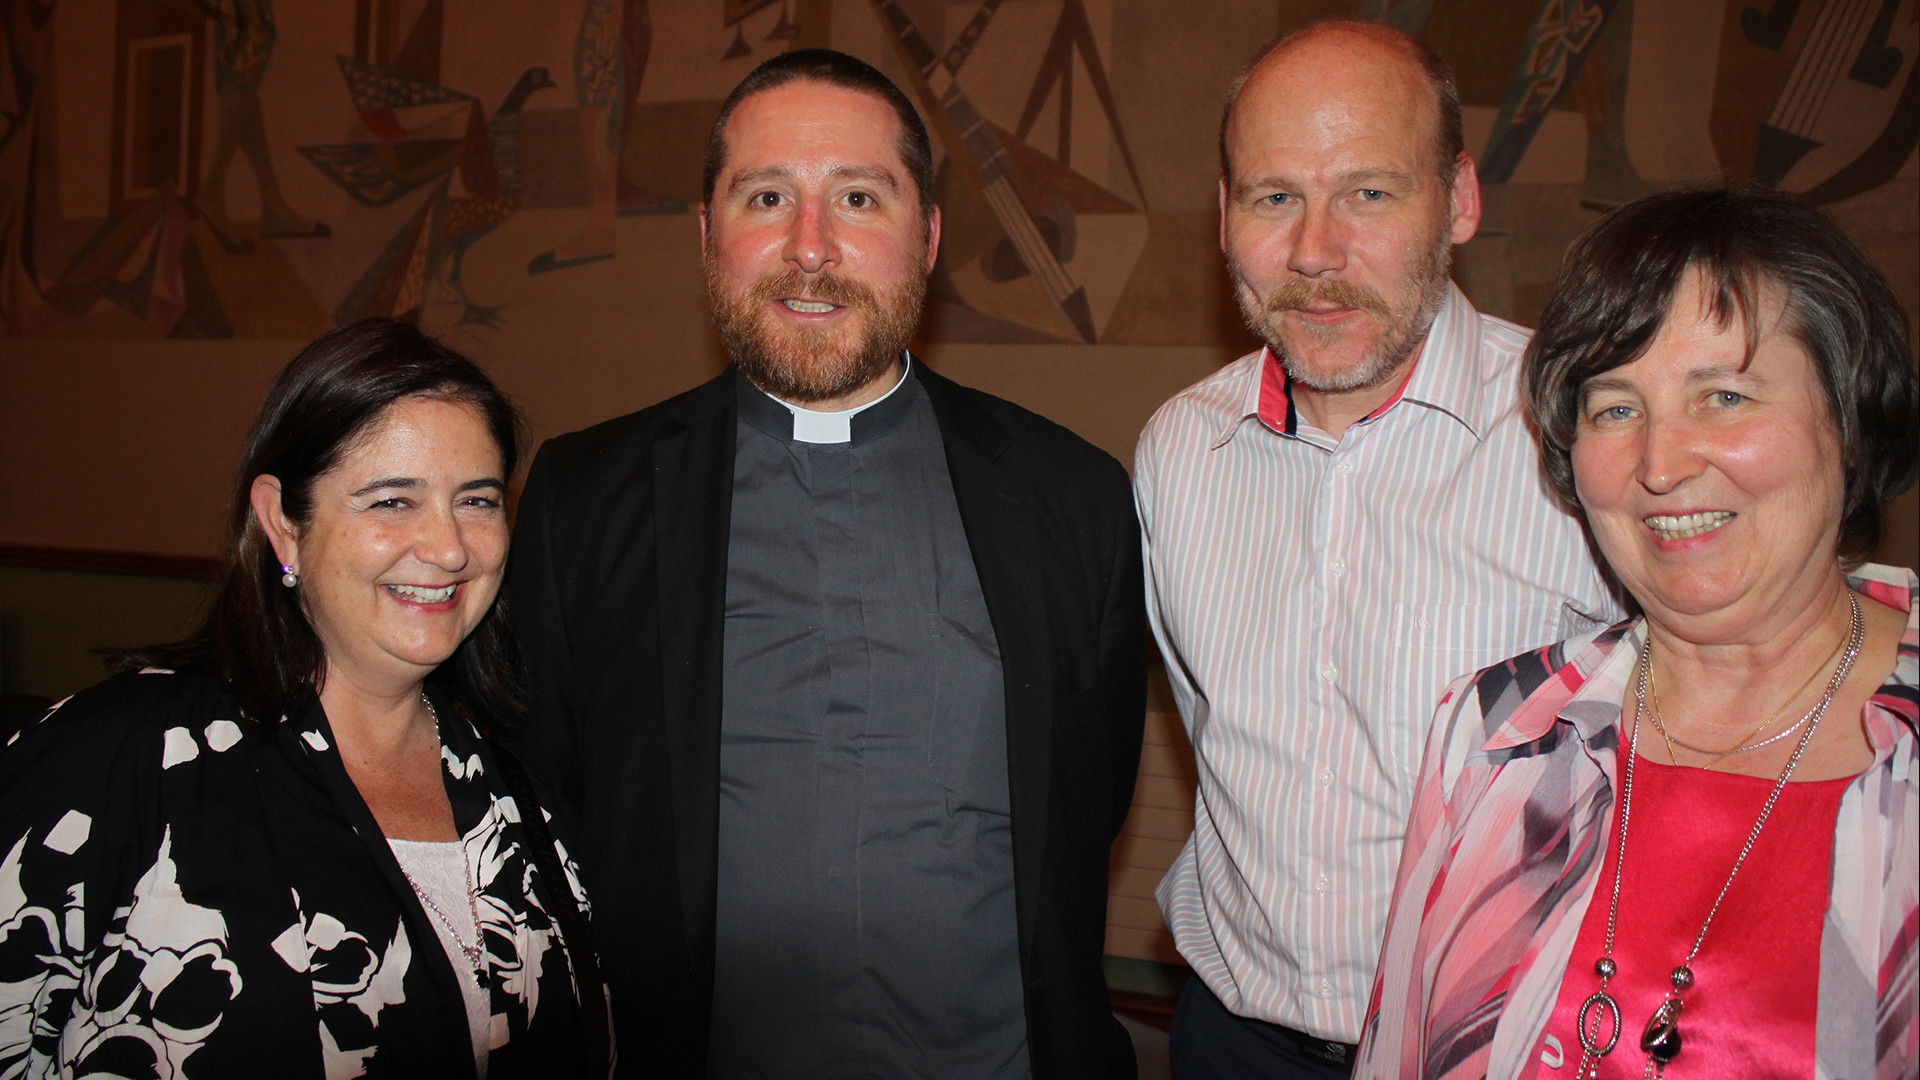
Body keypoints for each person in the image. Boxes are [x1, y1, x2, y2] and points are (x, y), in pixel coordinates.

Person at [505, 48, 1146, 1079]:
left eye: (858, 196)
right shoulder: (584, 500)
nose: (811, 248)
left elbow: (1086, 801)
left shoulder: (1073, 499)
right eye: (767, 196)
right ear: (707, 235)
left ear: (928, 237)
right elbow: (545, 817)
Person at [1133, 22, 1622, 1077]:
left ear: (1459, 200)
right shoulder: (1178, 450)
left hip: (1502, 1050)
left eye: (1368, 193)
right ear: (1223, 219)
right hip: (1231, 1041)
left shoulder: (1589, 436)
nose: (1315, 252)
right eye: (1274, 197)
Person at [1354, 188, 1919, 1078]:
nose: (1660, 464)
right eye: (1615, 408)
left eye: (1725, 396)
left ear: (1848, 420)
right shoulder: (1497, 733)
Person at [0, 319, 606, 1079]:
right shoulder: (119, 762)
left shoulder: (516, 786)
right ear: (283, 521)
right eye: (392, 502)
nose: (450, 548)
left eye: (477, 501)